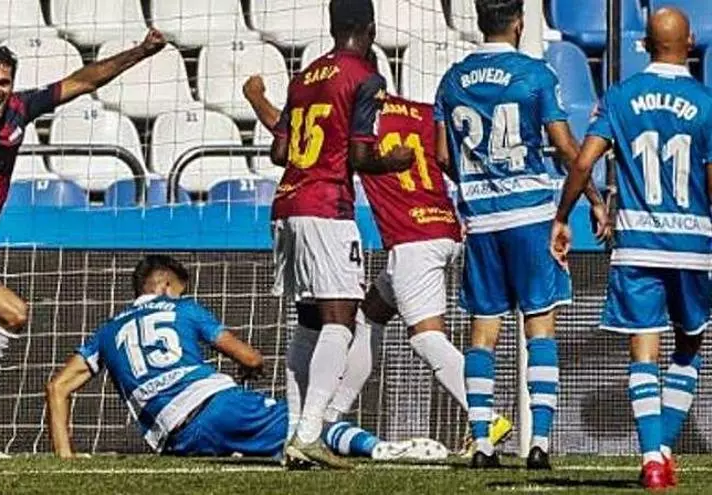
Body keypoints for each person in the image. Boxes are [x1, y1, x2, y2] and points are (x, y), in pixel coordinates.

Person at [0, 0, 166, 458]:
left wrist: (140, 52)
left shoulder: (20, 110)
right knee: (14, 314)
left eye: (2, 82)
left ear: (12, 85)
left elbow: (86, 80)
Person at [244, 74, 513, 454]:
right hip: (445, 228)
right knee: (369, 316)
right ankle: (331, 415)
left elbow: (293, 137)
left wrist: (256, 97)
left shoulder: (358, 120)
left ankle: (485, 415)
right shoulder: (422, 113)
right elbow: (448, 160)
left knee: (426, 336)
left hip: (412, 241)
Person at [46, 255, 449, 462]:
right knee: (308, 426)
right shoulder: (184, 309)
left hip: (176, 440)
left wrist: (65, 455)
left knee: (273, 445)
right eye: (181, 288)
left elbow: (58, 387)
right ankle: (379, 448)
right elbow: (250, 358)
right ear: (166, 285)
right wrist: (249, 366)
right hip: (215, 406)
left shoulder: (108, 331)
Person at [434, 0, 608, 470]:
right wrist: (594, 199)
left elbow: (443, 156)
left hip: (482, 221)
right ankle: (540, 443)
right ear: (519, 22)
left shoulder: (451, 80)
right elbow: (567, 146)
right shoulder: (534, 74)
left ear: (478, 22)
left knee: (483, 332)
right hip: (530, 215)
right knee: (540, 327)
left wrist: (478, 184)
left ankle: (482, 443)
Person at [551, 8, 712, 490]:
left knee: (644, 349)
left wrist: (564, 216)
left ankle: (653, 458)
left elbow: (583, 162)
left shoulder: (619, 95)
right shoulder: (706, 102)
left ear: (644, 44)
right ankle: (662, 451)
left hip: (637, 242)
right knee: (689, 344)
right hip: (691, 243)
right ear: (689, 44)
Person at [268, 0, 413, 469]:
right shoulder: (366, 77)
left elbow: (279, 152)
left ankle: (294, 436)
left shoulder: (303, 76)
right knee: (341, 320)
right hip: (327, 204)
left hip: (287, 202)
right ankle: (310, 434)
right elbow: (360, 156)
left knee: (309, 321)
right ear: (370, 29)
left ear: (333, 28)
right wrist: (394, 161)